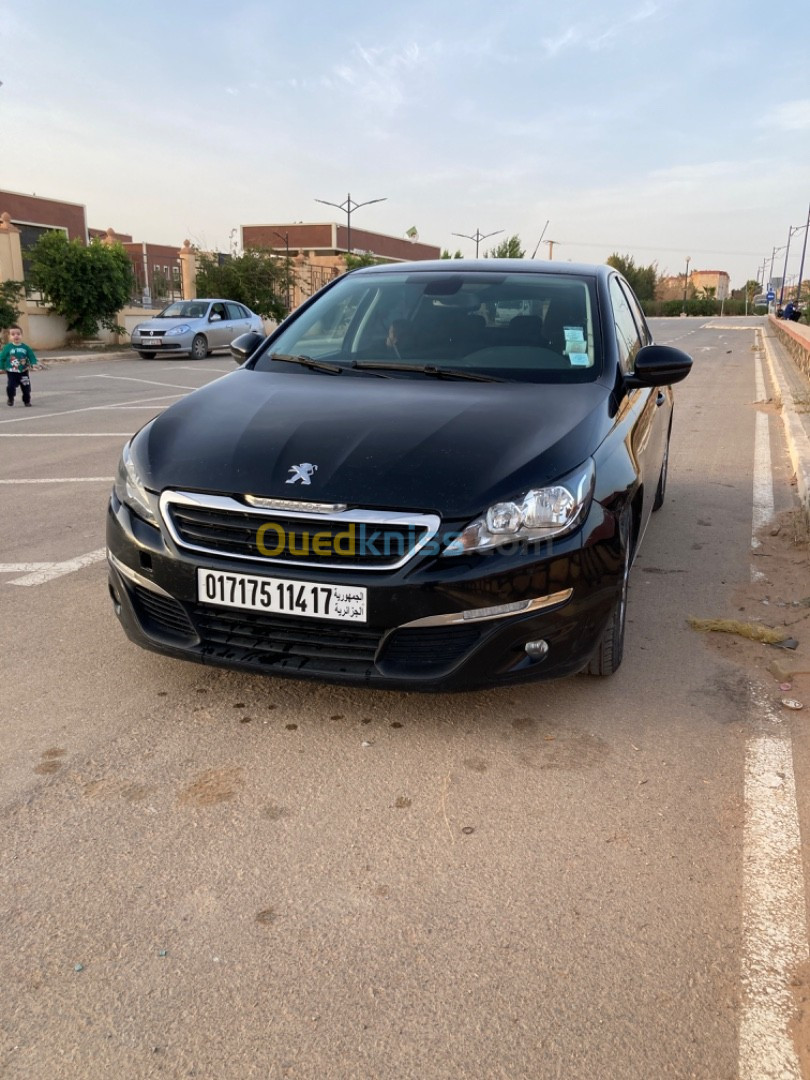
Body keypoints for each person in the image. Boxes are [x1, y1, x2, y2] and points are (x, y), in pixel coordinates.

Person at [1, 324, 41, 407]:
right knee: (11, 386)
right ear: (9, 336)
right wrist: (1, 367)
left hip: (23, 371)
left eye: (18, 334)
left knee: (26, 387)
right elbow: (2, 358)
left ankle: (27, 401)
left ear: (21, 335)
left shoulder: (25, 347)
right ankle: (11, 398)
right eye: (13, 334)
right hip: (12, 371)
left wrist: (33, 363)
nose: (16, 336)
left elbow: (31, 356)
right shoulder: (7, 347)